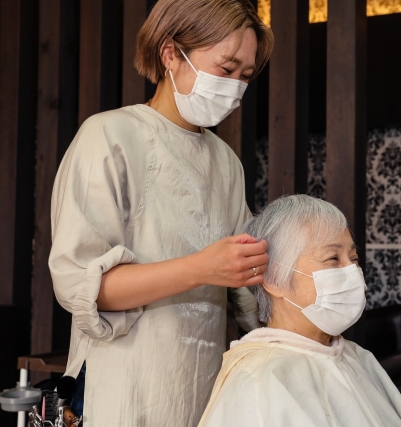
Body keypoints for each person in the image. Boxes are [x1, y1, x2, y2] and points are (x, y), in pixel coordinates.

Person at [48, 1, 273, 425]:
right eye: (225, 69)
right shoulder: (110, 136)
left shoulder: (226, 162)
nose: (234, 88)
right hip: (122, 390)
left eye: (245, 76)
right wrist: (202, 268)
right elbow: (85, 287)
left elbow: (248, 287)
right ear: (171, 53)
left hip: (200, 390)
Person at [197, 195, 401, 427]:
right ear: (274, 279)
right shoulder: (256, 382)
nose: (352, 271)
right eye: (333, 258)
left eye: (354, 258)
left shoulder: (357, 357)